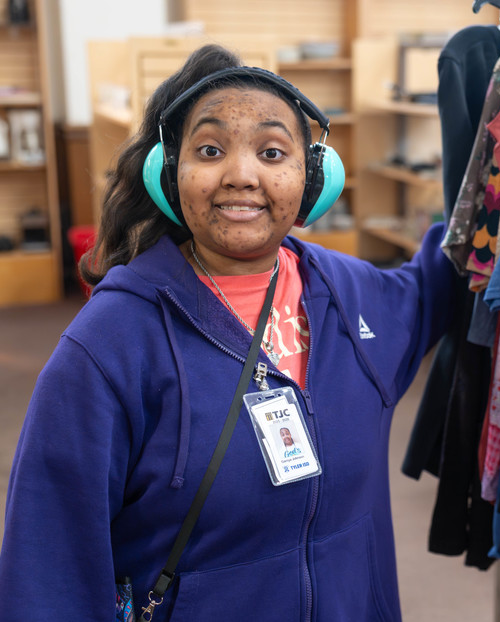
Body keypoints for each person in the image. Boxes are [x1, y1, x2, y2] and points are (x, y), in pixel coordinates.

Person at [0, 44, 453, 621]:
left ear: (314, 177)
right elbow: (47, 573)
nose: (242, 175)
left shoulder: (354, 295)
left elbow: (444, 278)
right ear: (169, 172)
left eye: (272, 151)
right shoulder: (107, 346)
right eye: (210, 150)